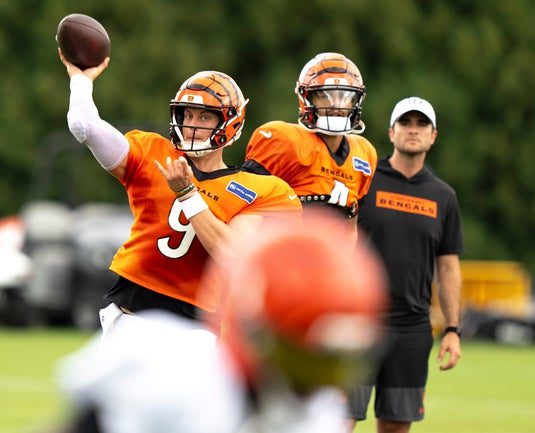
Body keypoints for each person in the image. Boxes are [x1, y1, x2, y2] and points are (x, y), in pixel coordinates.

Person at [56, 211, 387, 433]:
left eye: (330, 361)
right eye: (306, 356)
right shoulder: (160, 374)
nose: (318, 378)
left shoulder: (320, 416)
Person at [58, 51, 301, 337]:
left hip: (198, 330)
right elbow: (85, 127)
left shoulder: (261, 190)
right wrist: (80, 79)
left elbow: (233, 253)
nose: (192, 125)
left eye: (205, 116)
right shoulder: (153, 153)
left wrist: (187, 193)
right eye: (187, 114)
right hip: (133, 318)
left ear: (230, 122)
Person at [348, 97, 463, 433]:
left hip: (411, 330)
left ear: (433, 135)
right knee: (338, 421)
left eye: (421, 124)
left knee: (396, 426)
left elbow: (449, 266)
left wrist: (453, 329)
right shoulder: (365, 181)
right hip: (358, 321)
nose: (413, 130)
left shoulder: (444, 196)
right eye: (406, 123)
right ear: (391, 132)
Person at [242, 52, 377, 239]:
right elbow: (243, 208)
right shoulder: (285, 141)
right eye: (325, 96)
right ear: (306, 99)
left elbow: (351, 225)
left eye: (344, 97)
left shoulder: (364, 154)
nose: (336, 106)